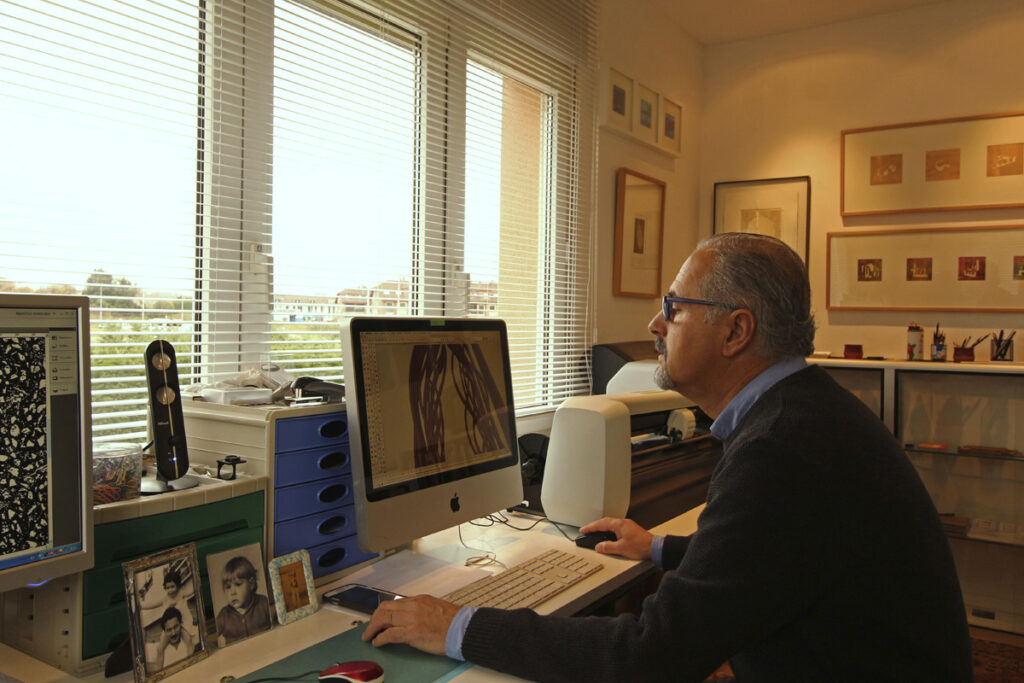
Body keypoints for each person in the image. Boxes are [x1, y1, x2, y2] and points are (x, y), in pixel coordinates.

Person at [361, 233, 974, 682]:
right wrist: (657, 548)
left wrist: (458, 626)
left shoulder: (781, 448)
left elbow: (653, 656)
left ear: (736, 332)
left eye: (675, 307)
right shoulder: (803, 411)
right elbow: (779, 555)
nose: (656, 322)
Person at [215, 555, 273, 646]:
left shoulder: (263, 603)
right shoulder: (224, 615)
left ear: (251, 584)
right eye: (228, 587)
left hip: (264, 648)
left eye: (238, 585)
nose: (232, 592)